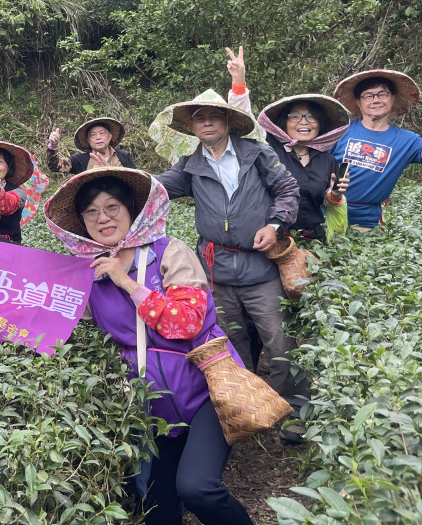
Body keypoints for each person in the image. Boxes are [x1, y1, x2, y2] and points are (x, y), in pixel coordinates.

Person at [44, 168, 253, 525]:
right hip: (151, 404)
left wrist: (125, 281)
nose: (103, 218)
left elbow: (186, 321)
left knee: (197, 487)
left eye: (112, 207)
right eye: (91, 212)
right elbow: (55, 324)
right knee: (159, 510)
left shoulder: (169, 252)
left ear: (132, 210)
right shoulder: (88, 274)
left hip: (206, 390)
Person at [155, 93, 309, 443]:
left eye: (214, 116)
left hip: (261, 270)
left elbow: (287, 188)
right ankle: (244, 413)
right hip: (217, 272)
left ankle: (294, 417)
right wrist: (115, 178)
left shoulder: (257, 154)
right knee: (230, 347)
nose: (207, 122)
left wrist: (276, 225)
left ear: (228, 122)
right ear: (192, 127)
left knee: (280, 344)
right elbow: (155, 188)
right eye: (200, 118)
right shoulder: (189, 166)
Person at [224, 46, 351, 242]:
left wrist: (334, 195)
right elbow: (243, 125)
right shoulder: (268, 150)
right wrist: (238, 82)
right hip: (272, 240)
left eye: (311, 116)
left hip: (313, 241)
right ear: (284, 123)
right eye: (295, 116)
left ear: (320, 124)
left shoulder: (327, 161)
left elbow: (325, 204)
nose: (304, 121)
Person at [330, 70, 422, 230]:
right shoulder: (340, 131)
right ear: (359, 102)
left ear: (393, 98)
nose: (376, 100)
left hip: (366, 223)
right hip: (326, 212)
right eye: (368, 96)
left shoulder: (408, 141)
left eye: (382, 94)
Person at [46, 117, 136, 174]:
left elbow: (135, 179)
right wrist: (53, 145)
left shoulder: (124, 156)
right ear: (88, 141)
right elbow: (55, 166)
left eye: (102, 133)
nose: (98, 137)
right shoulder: (79, 160)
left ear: (110, 137)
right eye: (93, 135)